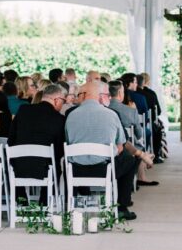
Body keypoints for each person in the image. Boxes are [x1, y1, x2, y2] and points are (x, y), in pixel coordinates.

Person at [65, 80, 140, 220]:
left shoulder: (71, 115)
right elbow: (120, 146)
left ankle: (75, 203)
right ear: (99, 96)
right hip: (105, 170)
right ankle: (122, 206)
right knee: (129, 159)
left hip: (76, 171)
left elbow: (68, 143)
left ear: (84, 95)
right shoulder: (111, 114)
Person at [8, 84, 67, 204]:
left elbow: (11, 140)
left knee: (13, 161)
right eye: (63, 101)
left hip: (19, 168)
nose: (63, 104)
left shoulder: (23, 110)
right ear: (56, 100)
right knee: (56, 164)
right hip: (45, 170)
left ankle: (22, 201)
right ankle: (44, 203)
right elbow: (60, 149)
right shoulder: (59, 118)